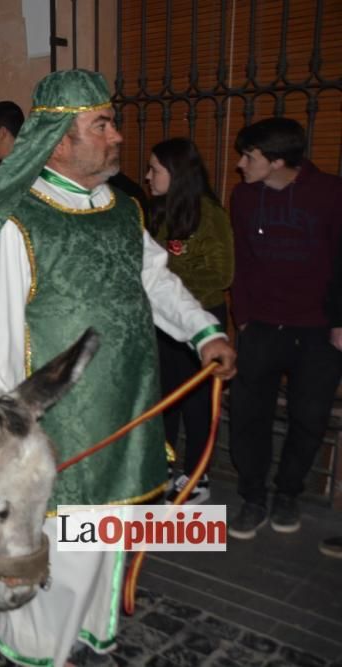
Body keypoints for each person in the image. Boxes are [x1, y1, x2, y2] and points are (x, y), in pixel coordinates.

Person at [0, 69, 236, 667]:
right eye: (102, 125)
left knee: (108, 539)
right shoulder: (12, 219)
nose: (117, 137)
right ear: (60, 139)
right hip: (55, 430)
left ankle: (89, 634)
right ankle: (36, 654)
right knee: (61, 550)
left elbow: (157, 284)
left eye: (113, 123)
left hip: (126, 413)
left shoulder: (121, 209)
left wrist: (204, 331)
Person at [227, 117, 342, 540]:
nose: (240, 163)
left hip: (319, 331)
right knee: (247, 415)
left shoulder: (331, 194)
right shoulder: (242, 198)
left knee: (308, 417)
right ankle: (253, 497)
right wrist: (245, 316)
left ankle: (287, 493)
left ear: (276, 161)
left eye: (249, 156)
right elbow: (240, 261)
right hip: (262, 326)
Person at [145, 138, 234, 504]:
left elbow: (222, 274)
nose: (147, 176)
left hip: (202, 321)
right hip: (162, 324)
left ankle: (198, 475)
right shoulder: (154, 211)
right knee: (164, 399)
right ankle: (162, 467)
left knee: (198, 403)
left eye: (155, 170)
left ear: (177, 174)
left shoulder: (209, 215)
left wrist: (171, 285)